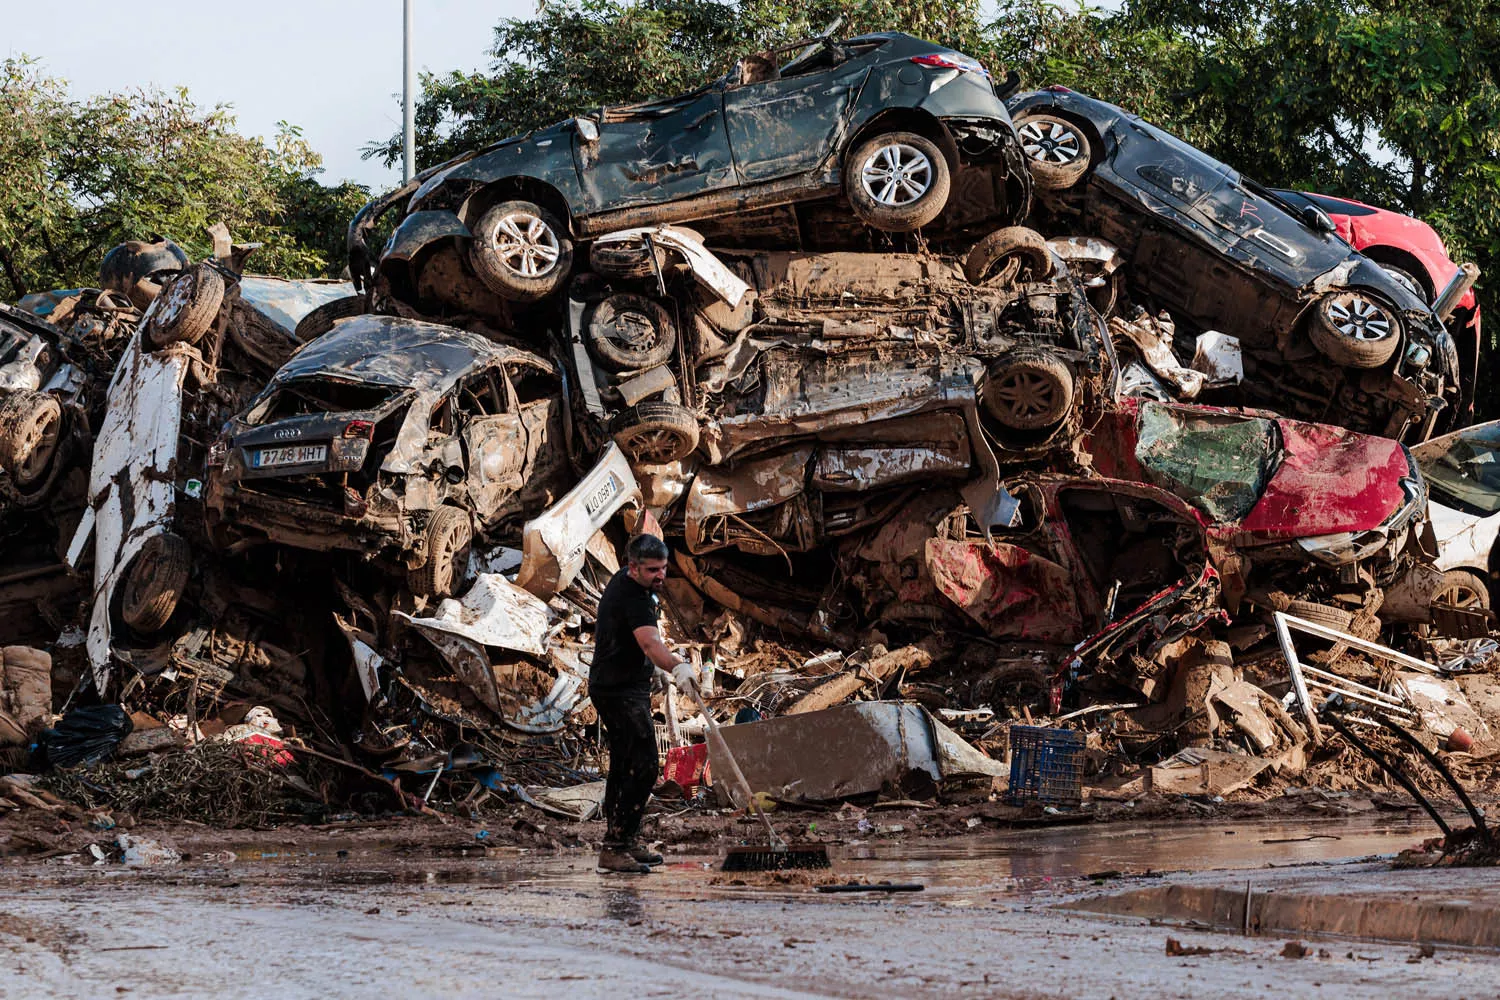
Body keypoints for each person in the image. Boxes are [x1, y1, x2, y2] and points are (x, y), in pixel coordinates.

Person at [590, 533, 697, 874]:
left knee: (624, 765)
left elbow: (644, 643)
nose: (660, 575)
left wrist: (661, 668)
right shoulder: (633, 595)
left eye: (664, 568)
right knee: (646, 764)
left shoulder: (631, 585)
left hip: (620, 686)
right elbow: (650, 643)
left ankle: (623, 840)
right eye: (652, 569)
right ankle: (616, 846)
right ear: (632, 566)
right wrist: (676, 666)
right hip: (618, 691)